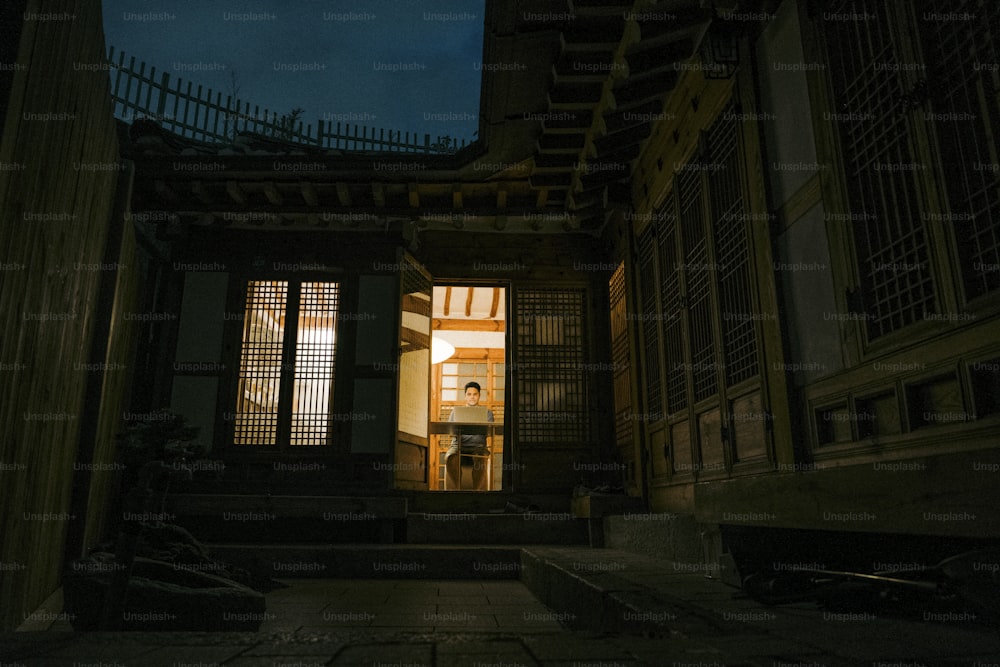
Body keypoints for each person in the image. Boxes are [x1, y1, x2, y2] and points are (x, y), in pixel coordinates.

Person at [446, 381, 494, 490]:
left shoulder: (487, 413)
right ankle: (458, 490)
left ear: (479, 396)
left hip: (478, 447)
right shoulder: (456, 412)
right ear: (465, 396)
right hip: (457, 446)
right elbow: (450, 431)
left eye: (475, 394)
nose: (472, 397)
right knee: (450, 457)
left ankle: (475, 492)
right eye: (469, 394)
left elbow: (490, 432)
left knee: (480, 459)